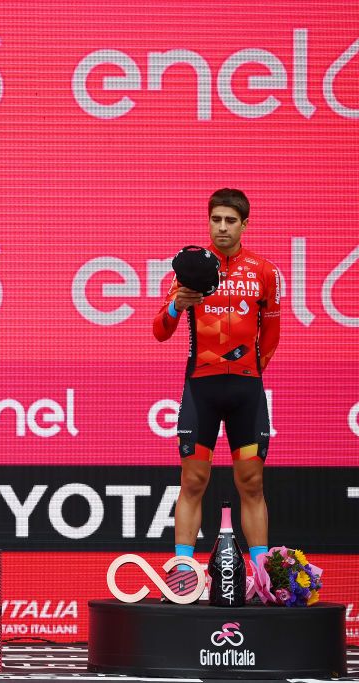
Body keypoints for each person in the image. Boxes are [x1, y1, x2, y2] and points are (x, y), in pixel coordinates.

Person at [153, 188, 281, 597]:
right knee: (192, 480)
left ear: (245, 224)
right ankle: (183, 575)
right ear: (208, 222)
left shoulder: (263, 271)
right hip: (200, 388)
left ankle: (261, 577)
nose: (222, 227)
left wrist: (252, 373)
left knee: (252, 482)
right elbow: (159, 331)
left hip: (245, 389)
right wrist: (177, 305)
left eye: (230, 220)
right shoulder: (189, 269)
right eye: (216, 220)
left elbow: (272, 334)